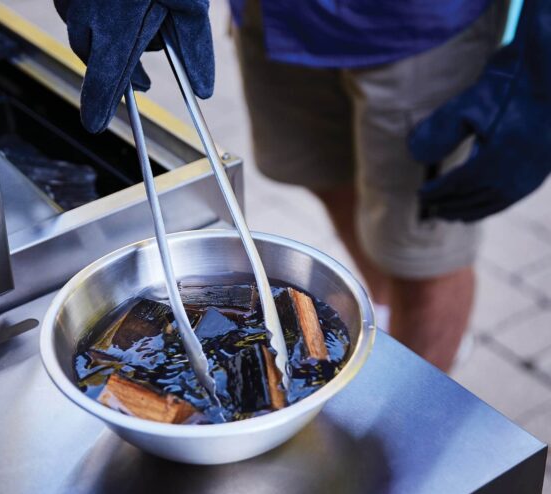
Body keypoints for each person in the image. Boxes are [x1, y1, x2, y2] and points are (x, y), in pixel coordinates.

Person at [55, 0, 551, 372]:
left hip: (423, 28)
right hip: (278, 16)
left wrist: (542, 71)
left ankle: (420, 387)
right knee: (322, 173)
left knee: (423, 258)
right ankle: (383, 299)